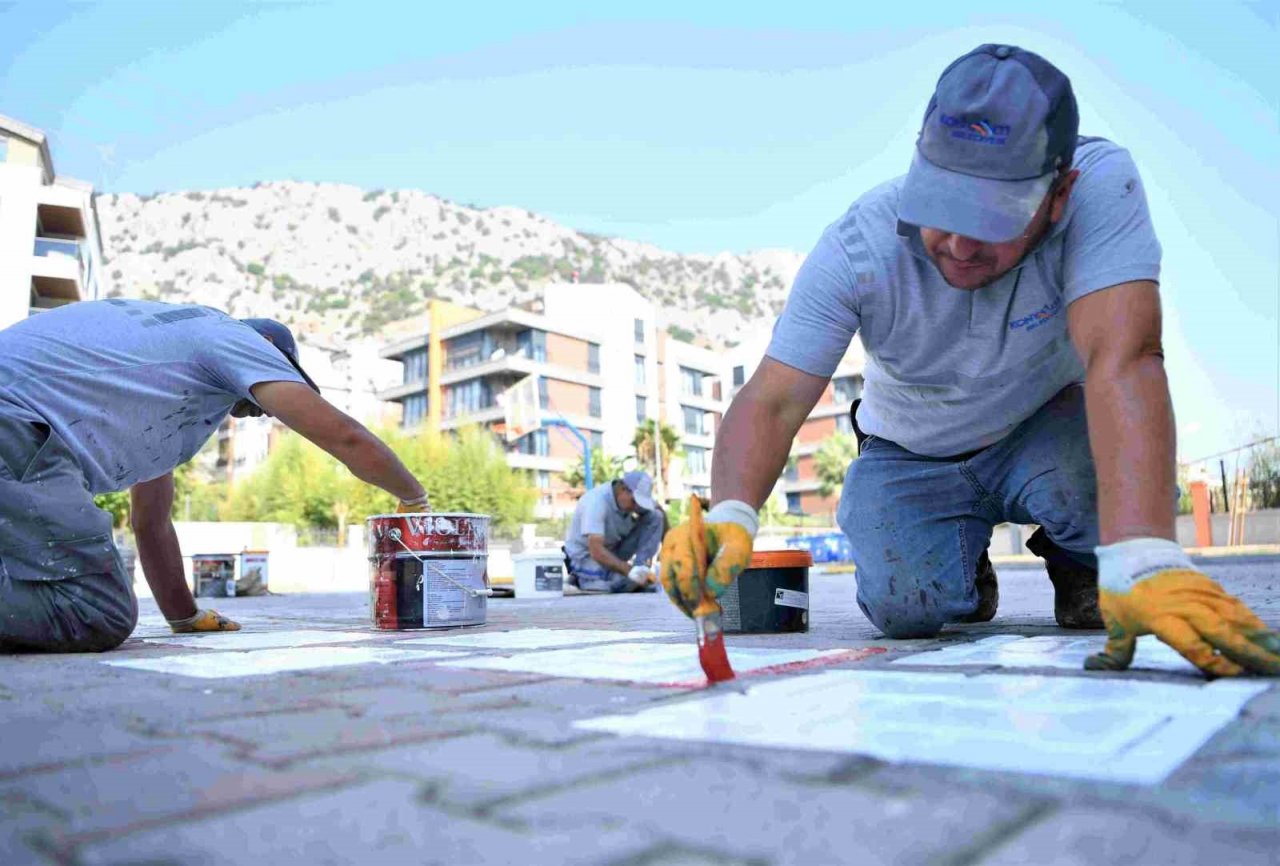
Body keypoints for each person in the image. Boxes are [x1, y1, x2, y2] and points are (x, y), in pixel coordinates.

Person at [661, 44, 1280, 677]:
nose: (957, 244)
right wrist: (732, 512)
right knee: (905, 607)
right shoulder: (858, 246)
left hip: (1045, 427)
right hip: (910, 451)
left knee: (1100, 485)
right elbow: (773, 399)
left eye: (991, 219)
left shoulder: (1100, 188)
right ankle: (963, 558)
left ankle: (1085, 561)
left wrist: (1146, 556)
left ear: (1059, 194)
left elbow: (1124, 360)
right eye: (940, 206)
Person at [0, 299, 430, 652]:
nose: (256, 413)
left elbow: (150, 523)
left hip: (17, 435)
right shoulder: (232, 338)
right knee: (94, 610)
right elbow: (345, 437)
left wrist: (184, 615)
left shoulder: (165, 382)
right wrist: (414, 498)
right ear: (265, 349)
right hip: (14, 428)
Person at [563, 470, 662, 593]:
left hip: (613, 550)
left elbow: (658, 515)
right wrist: (628, 571)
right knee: (612, 585)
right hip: (586, 556)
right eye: (634, 502)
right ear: (622, 489)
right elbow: (596, 551)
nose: (635, 507)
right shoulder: (596, 503)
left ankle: (640, 570)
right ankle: (581, 578)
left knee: (655, 516)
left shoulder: (629, 500)